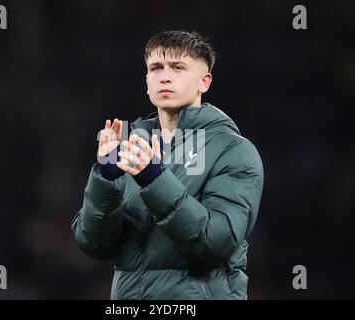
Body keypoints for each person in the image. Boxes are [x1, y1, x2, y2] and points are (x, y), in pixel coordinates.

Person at [72, 30, 264, 299]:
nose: (165, 76)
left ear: (204, 82)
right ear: (147, 81)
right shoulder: (129, 143)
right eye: (156, 68)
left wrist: (153, 177)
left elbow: (217, 241)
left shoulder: (234, 150)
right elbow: (94, 244)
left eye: (178, 67)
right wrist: (106, 177)